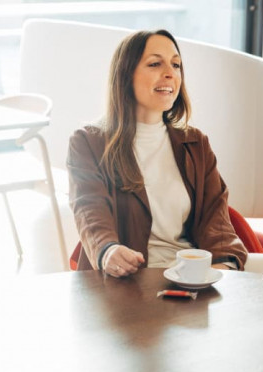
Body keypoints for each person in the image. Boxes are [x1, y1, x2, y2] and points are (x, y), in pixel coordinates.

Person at [67, 29, 249, 277]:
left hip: (194, 271)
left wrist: (219, 271)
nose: (170, 73)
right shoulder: (89, 143)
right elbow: (89, 211)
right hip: (134, 280)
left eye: (176, 65)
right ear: (125, 74)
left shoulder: (195, 143)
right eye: (155, 64)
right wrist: (108, 251)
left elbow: (216, 219)